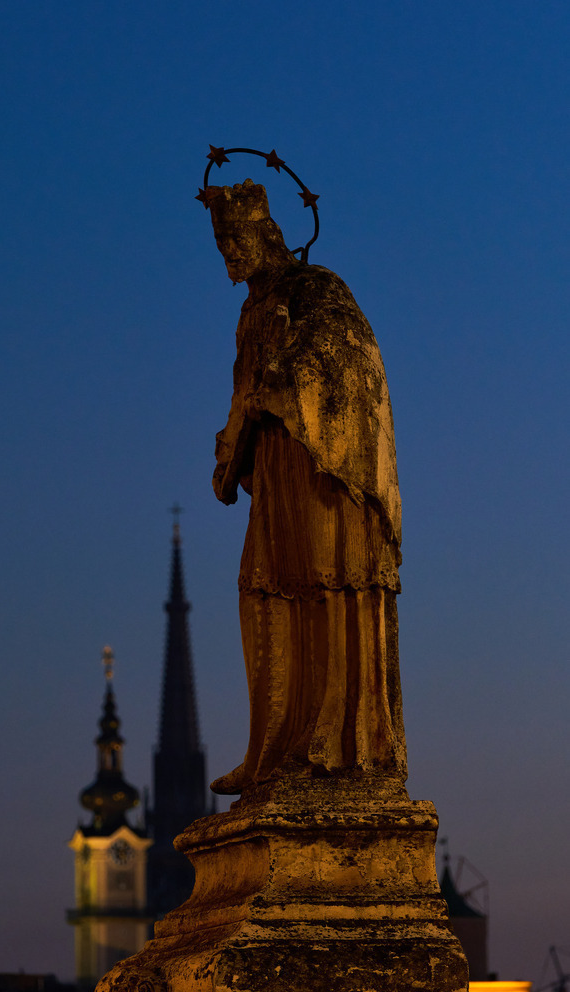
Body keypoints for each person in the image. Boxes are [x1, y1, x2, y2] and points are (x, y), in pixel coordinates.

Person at [206, 179, 407, 795]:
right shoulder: (250, 315)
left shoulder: (316, 288)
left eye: (235, 242)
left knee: (327, 583)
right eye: (222, 248)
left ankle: (335, 744)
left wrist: (282, 380)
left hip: (325, 472)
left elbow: (346, 357)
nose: (230, 258)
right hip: (277, 480)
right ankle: (272, 746)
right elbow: (245, 397)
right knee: (264, 590)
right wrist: (233, 441)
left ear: (268, 234)